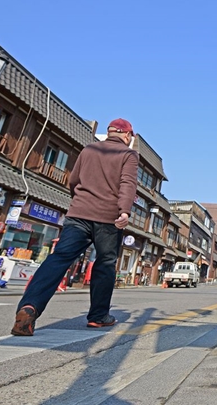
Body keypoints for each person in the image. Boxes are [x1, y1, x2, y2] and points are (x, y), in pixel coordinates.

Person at [11, 118, 139, 336]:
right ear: (127, 136)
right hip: (108, 218)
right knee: (105, 263)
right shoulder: (128, 155)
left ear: (109, 133)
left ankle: (29, 306)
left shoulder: (88, 149)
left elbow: (73, 180)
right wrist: (124, 211)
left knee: (59, 258)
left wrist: (79, 203)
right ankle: (98, 316)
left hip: (78, 214)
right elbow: (127, 183)